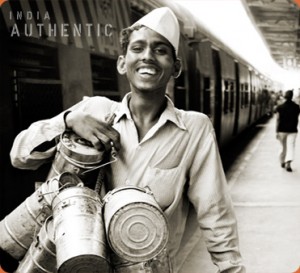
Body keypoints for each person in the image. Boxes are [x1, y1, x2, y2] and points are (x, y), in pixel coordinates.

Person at [9, 7, 245, 273]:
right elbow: (19, 156)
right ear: (122, 63)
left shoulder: (194, 128)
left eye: (160, 50)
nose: (147, 56)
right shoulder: (95, 110)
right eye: (138, 48)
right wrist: (67, 121)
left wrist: (231, 268)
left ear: (175, 67)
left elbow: (215, 209)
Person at [275, 90, 300, 172]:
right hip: (293, 130)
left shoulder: (280, 107)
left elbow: (278, 120)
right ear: (292, 96)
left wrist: (276, 131)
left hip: (282, 130)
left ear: (285, 96)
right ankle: (288, 163)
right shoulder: (297, 107)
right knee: (290, 147)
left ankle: (282, 161)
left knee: (283, 147)